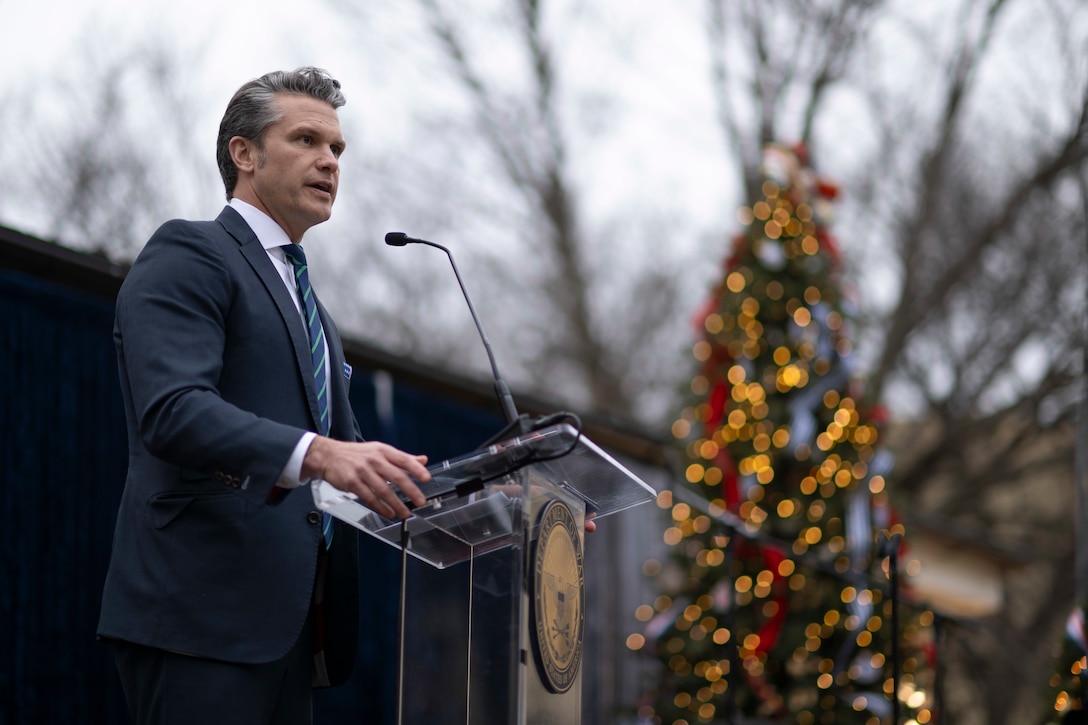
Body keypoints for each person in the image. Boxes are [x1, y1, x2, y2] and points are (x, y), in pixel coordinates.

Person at [97, 66, 431, 724]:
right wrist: (319, 453)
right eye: (306, 139)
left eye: (337, 148)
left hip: (289, 630)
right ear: (243, 154)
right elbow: (172, 411)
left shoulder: (312, 309)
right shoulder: (190, 252)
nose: (330, 161)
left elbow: (356, 463)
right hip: (200, 618)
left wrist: (497, 504)